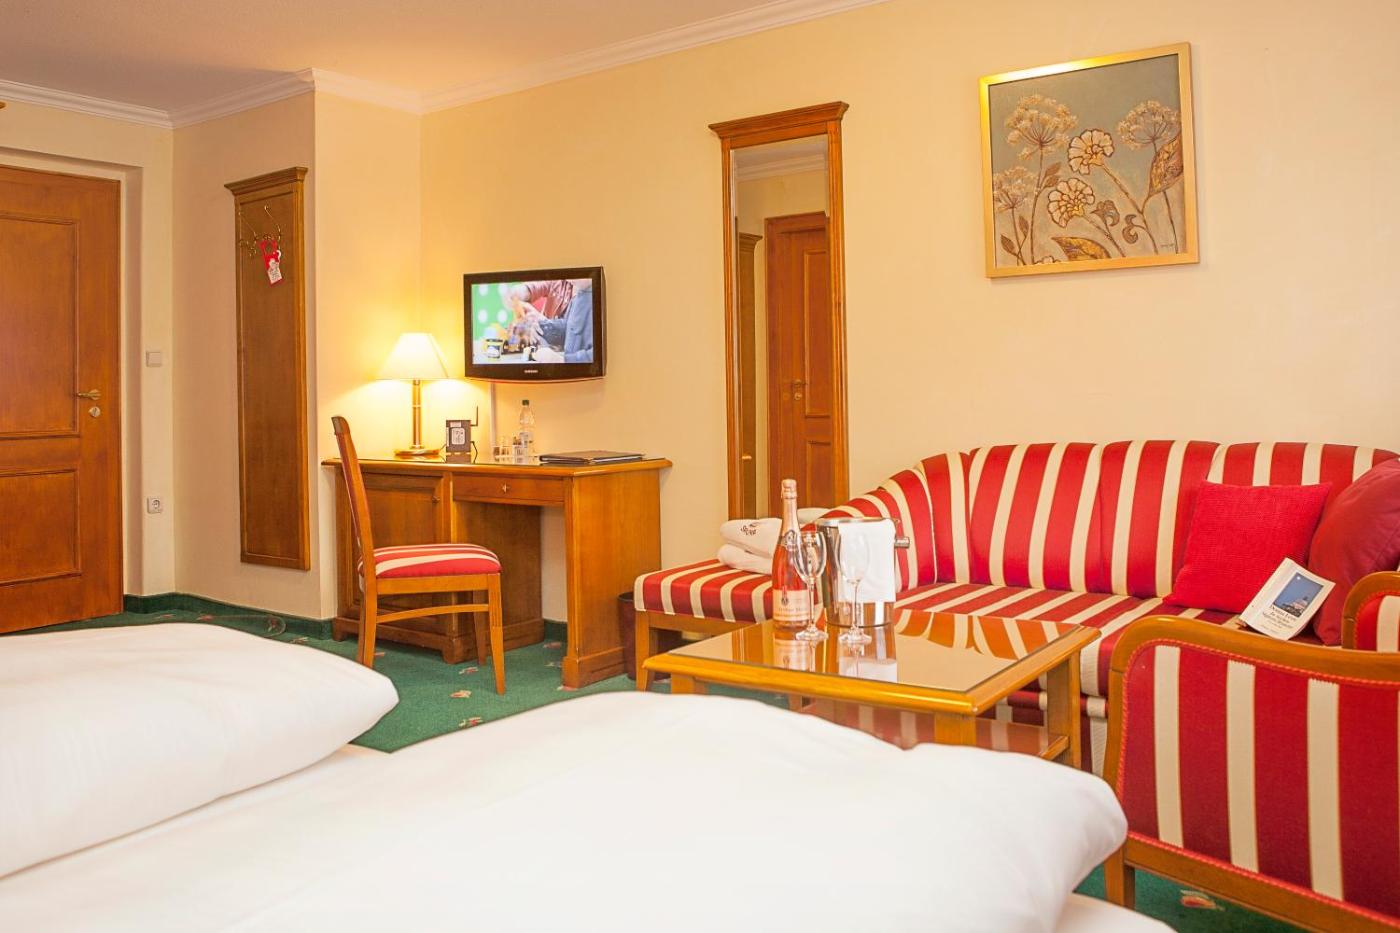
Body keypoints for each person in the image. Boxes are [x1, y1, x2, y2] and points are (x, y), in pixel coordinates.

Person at [520, 279, 593, 364]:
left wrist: (562, 360)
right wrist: (543, 327)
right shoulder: (578, 296)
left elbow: (599, 355)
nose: (568, 280)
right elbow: (569, 328)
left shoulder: (600, 299)